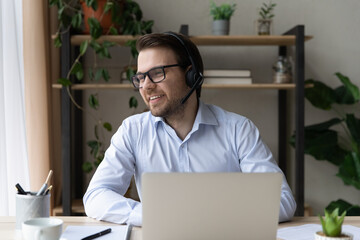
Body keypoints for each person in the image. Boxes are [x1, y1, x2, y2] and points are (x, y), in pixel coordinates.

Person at [83, 32, 296, 226]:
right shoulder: (133, 131)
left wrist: (210, 215)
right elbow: (96, 195)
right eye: (140, 77)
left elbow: (282, 201)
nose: (146, 86)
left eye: (157, 73)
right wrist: (156, 215)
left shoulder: (238, 130)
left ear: (191, 75)